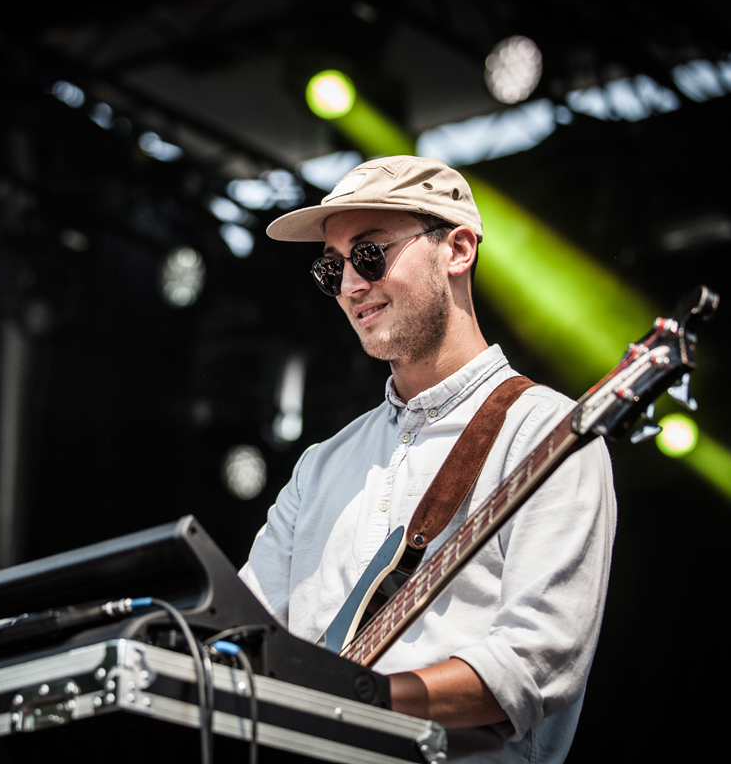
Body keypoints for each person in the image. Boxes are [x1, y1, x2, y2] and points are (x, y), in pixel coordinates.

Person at [238, 155, 616, 763]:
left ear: (458, 248)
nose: (350, 286)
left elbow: (534, 664)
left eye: (369, 254)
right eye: (331, 268)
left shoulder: (549, 433)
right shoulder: (320, 467)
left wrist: (358, 698)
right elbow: (244, 641)